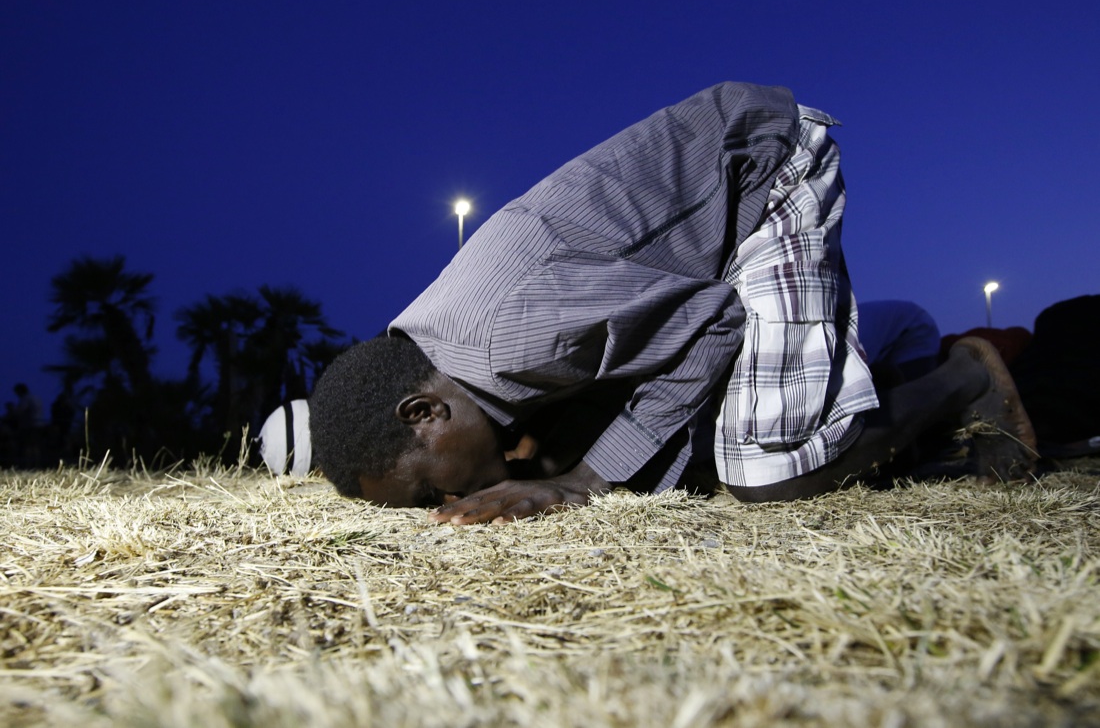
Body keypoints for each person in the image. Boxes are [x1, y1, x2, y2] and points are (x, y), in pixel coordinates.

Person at [310, 81, 1037, 525]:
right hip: (701, 243)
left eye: (427, 490)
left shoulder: (505, 336)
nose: (443, 506)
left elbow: (715, 317)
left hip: (764, 175)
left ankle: (965, 377)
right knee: (652, 450)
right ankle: (901, 422)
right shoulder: (436, 349)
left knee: (768, 472)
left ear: (426, 412)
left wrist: (580, 480)